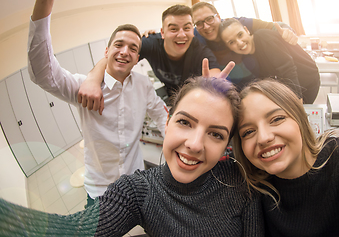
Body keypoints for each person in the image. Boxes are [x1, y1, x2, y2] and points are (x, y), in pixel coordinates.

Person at [0, 75, 265, 236]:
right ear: (168, 121)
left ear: (227, 145)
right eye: (185, 122)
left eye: (215, 134)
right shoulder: (137, 192)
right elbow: (74, 231)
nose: (195, 145)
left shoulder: (239, 179)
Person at [28, 0, 168, 207]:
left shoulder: (143, 84)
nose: (124, 51)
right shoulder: (83, 87)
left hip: (136, 179)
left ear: (137, 57)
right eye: (118, 45)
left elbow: (160, 113)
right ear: (106, 52)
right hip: (100, 190)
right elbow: (42, 73)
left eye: (132, 48)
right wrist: (44, 3)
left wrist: (174, 142)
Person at [232, 79, 339, 236]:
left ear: (300, 117)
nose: (263, 138)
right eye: (248, 132)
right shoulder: (248, 188)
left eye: (276, 119)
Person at [78, 4, 221, 114]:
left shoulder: (200, 50)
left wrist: (214, 85)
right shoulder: (151, 43)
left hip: (193, 96)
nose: (181, 34)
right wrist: (92, 80)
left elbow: (216, 74)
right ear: (162, 32)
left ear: (193, 31)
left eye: (187, 28)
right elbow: (113, 58)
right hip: (171, 95)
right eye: (173, 29)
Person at [191, 1, 299, 88]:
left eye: (209, 19)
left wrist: (287, 31)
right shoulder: (196, 35)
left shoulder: (236, 24)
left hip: (257, 79)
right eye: (199, 23)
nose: (206, 26)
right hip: (229, 85)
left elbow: (274, 26)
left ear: (218, 16)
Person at [219, 18, 320, 104]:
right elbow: (264, 80)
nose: (240, 43)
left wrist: (298, 103)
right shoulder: (246, 59)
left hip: (307, 82)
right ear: (228, 47)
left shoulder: (264, 37)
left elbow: (287, 69)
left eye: (240, 35)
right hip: (289, 87)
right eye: (232, 42)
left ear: (247, 30)